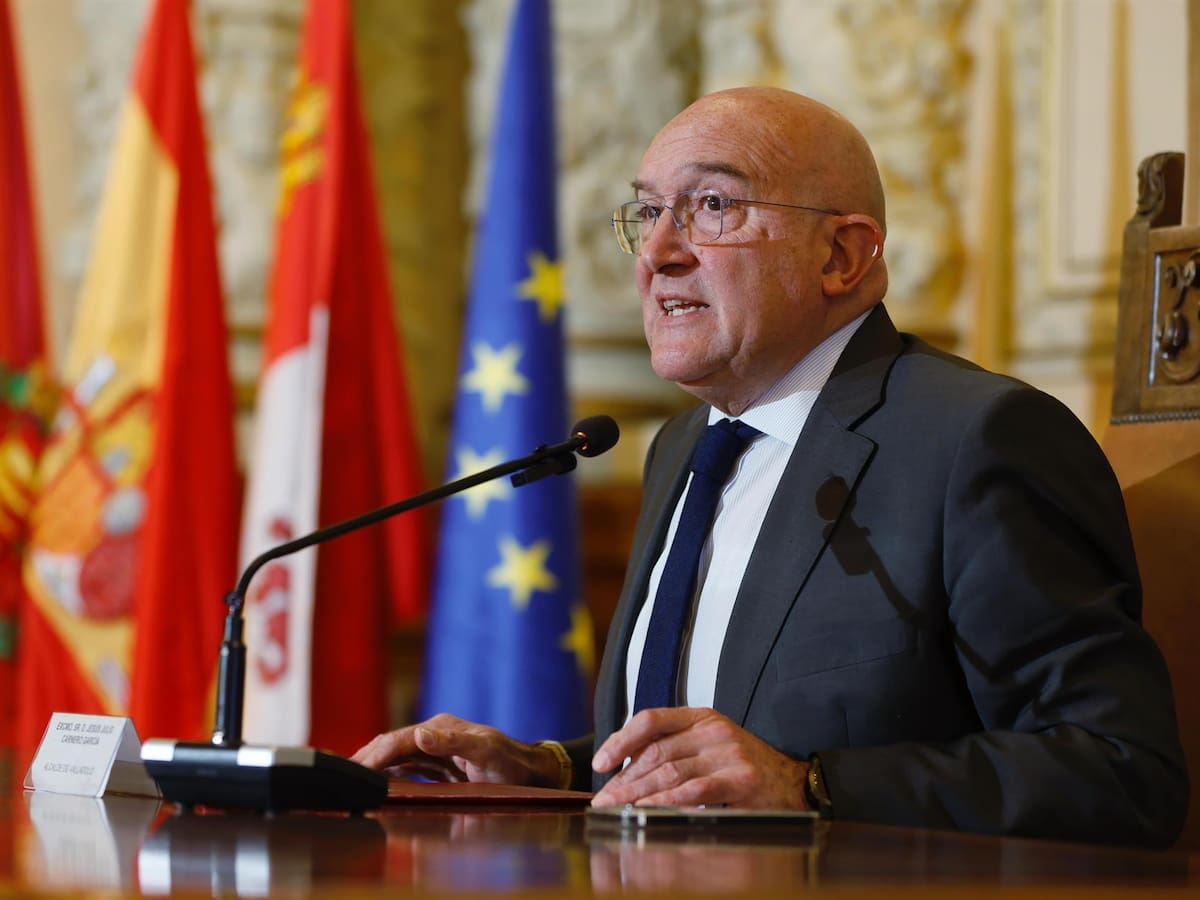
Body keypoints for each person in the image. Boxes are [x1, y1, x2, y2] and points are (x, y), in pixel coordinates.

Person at [353, 87, 1188, 847]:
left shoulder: (979, 440)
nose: (659, 252)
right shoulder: (684, 447)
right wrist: (549, 770)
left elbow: (1118, 771)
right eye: (649, 212)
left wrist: (811, 787)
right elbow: (728, 737)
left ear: (841, 257)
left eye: (713, 206)